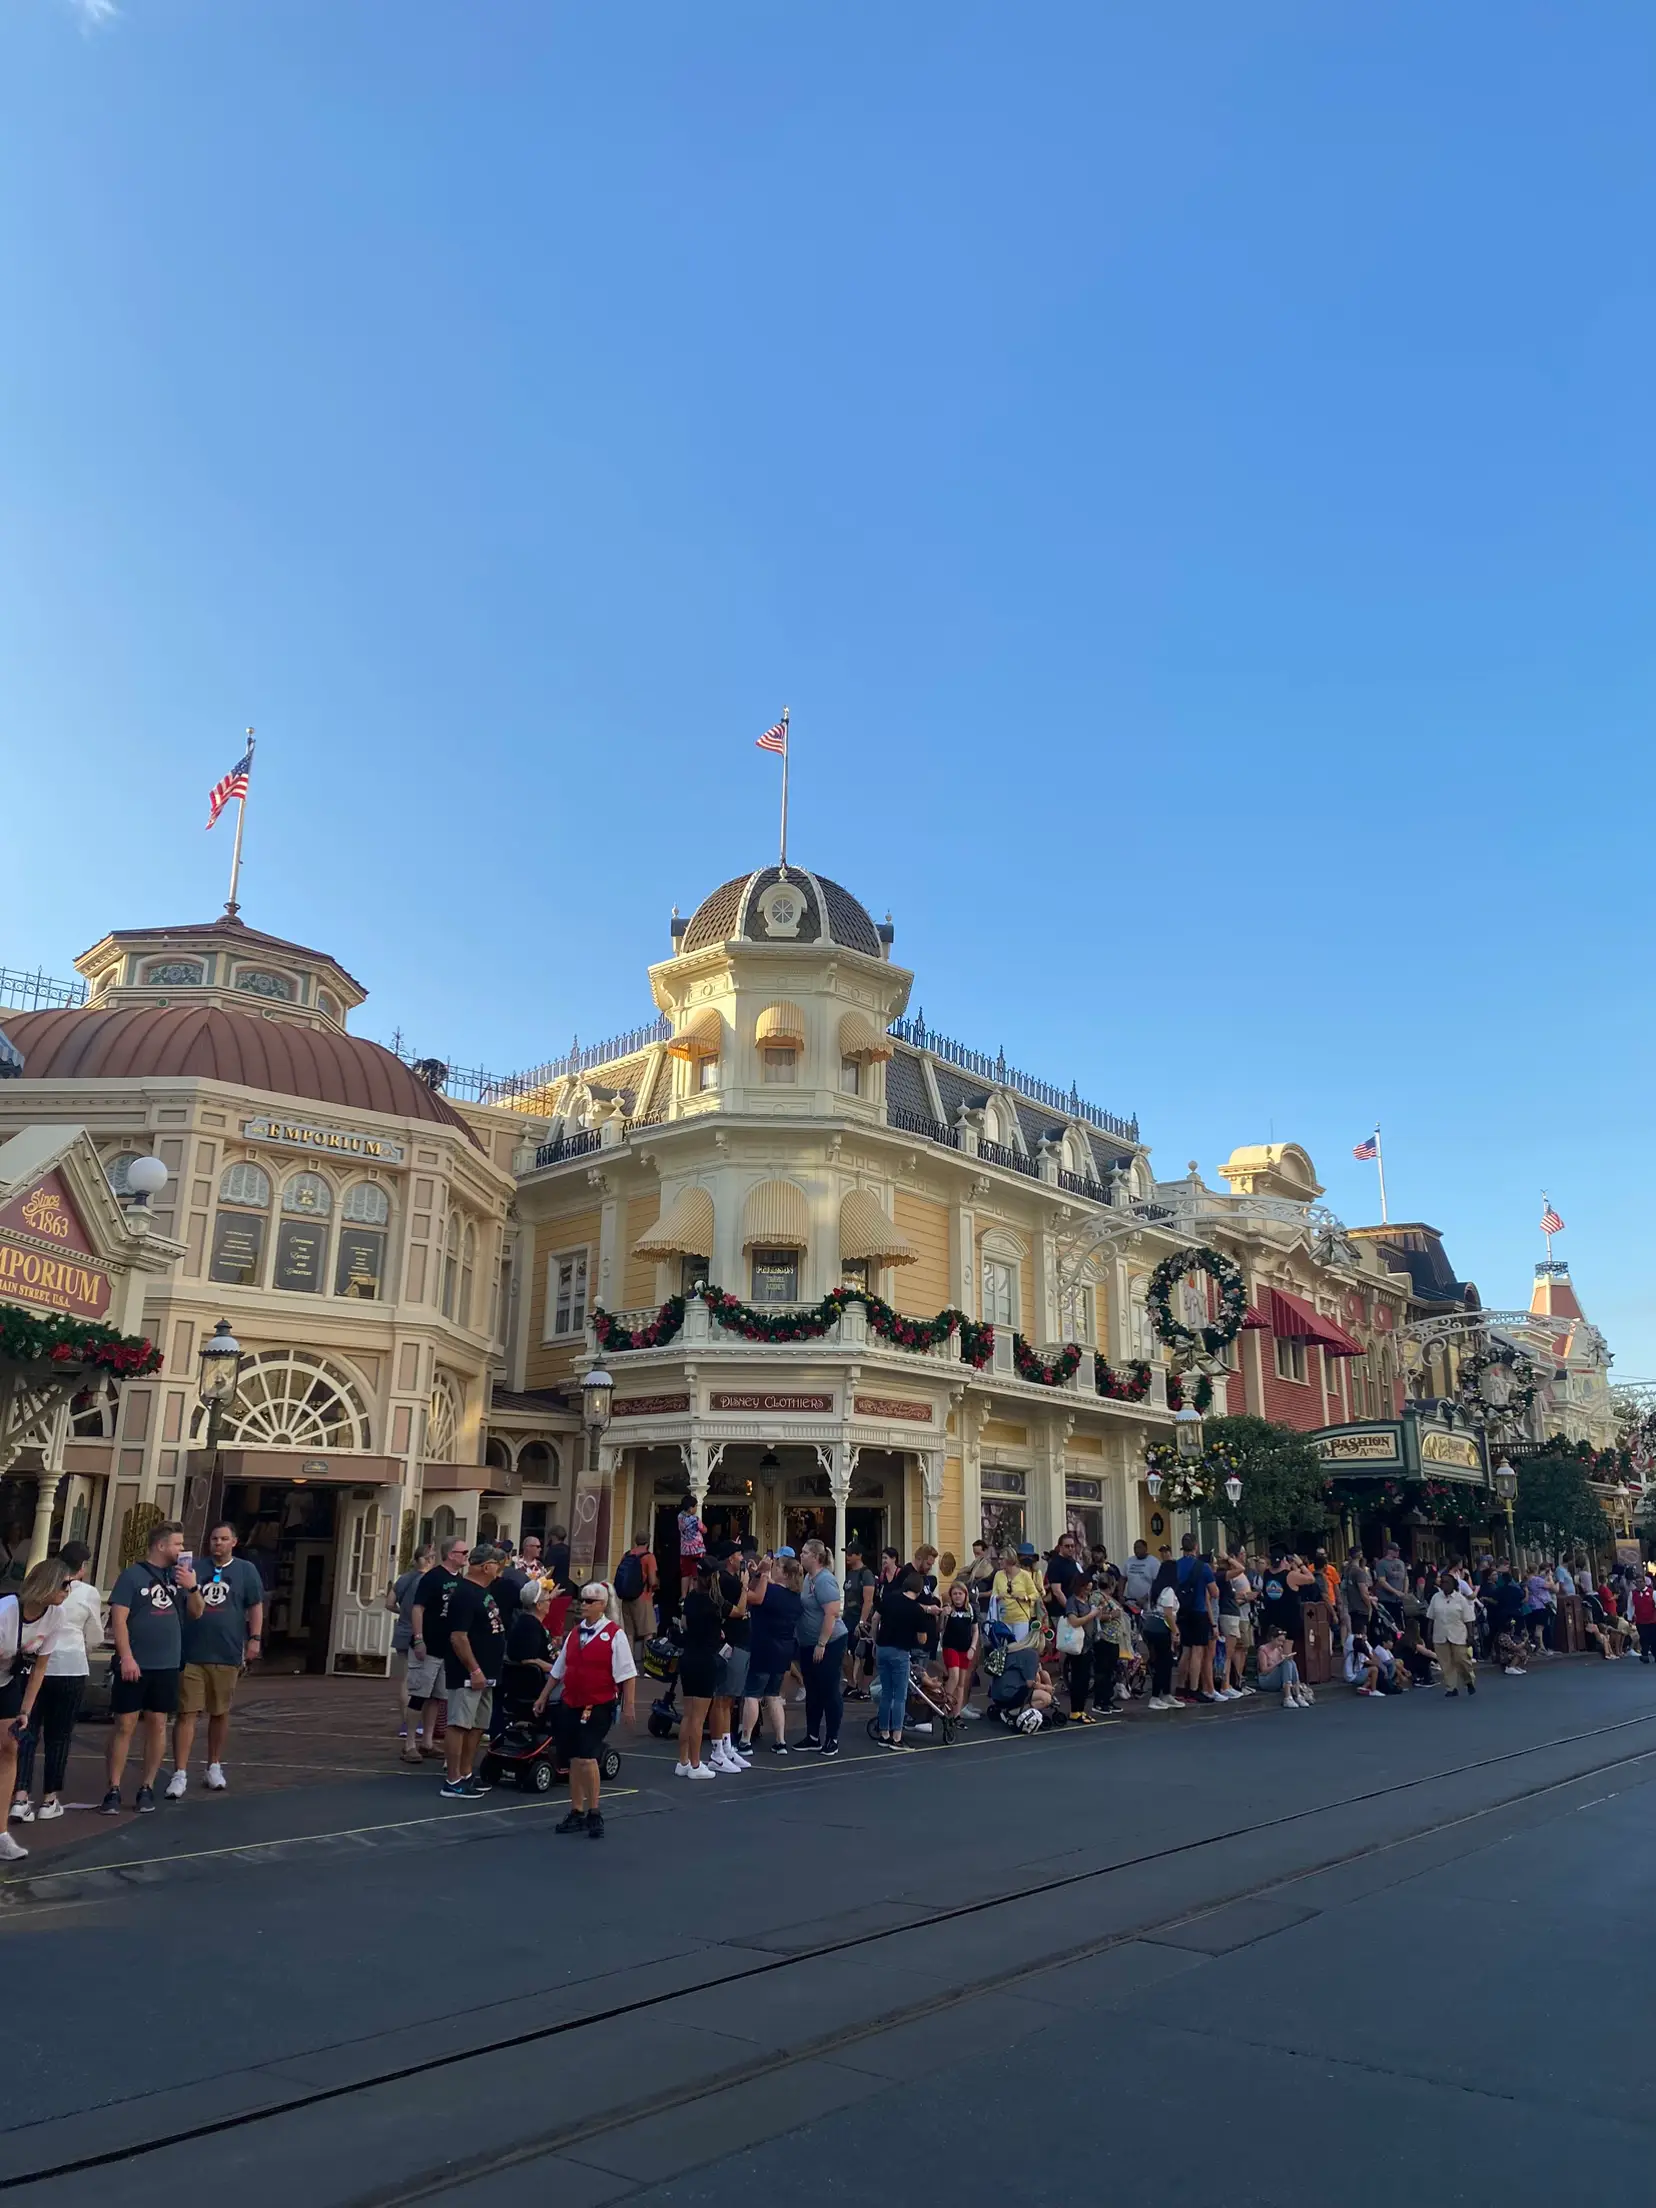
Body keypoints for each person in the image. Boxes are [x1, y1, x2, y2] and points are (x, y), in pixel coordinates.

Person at [103, 1520, 202, 1815]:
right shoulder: (132, 1576)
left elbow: (197, 1613)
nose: (182, 1549)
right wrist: (127, 1657)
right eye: (177, 1544)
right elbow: (119, 1619)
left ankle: (146, 1786)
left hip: (167, 1664)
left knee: (158, 1724)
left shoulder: (181, 1577)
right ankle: (113, 1788)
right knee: (125, 1724)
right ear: (161, 1545)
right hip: (136, 1662)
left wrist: (193, 1586)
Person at [168, 1522, 264, 1798]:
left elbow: (255, 1604)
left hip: (227, 1650)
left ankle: (214, 1765)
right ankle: (180, 1772)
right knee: (187, 1711)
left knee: (219, 1711)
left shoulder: (246, 1570)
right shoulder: (194, 1567)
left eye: (223, 1539)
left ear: (234, 1542)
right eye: (213, 1539)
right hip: (193, 1651)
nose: (218, 1543)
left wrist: (254, 1638)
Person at [11, 1541, 100, 1826]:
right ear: (82, 1567)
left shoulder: (45, 1589)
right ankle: (49, 1799)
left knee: (27, 1732)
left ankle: (21, 1796)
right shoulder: (86, 1593)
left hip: (35, 1665)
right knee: (59, 1735)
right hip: (70, 1667)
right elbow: (95, 1635)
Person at [547, 1581, 636, 1838]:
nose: (582, 1605)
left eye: (588, 1601)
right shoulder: (574, 1634)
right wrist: (543, 1697)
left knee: (587, 1755)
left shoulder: (614, 1634)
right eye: (581, 1600)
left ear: (602, 1605)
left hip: (597, 1703)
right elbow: (559, 1669)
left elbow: (627, 1674)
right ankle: (576, 1811)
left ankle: (595, 1811)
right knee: (574, 1758)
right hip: (571, 1701)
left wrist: (629, 1705)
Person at [1, 1558, 71, 1854]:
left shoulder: (56, 1615)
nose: (69, 1589)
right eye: (65, 1584)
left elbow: (40, 1666)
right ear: (47, 1585)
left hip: (7, 1681)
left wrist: (25, 1711)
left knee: (9, 1748)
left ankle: (1, 1833)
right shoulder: (6, 1612)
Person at [439, 1544, 505, 1797]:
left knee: (477, 1724)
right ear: (485, 1566)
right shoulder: (465, 1593)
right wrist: (474, 1669)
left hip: (486, 1672)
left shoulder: (483, 1592)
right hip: (469, 1673)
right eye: (496, 1564)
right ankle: (452, 1779)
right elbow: (458, 1637)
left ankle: (466, 1772)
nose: (498, 1569)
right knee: (459, 1723)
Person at [408, 1535, 468, 1755]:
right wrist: (419, 1638)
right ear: (451, 1554)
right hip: (429, 1643)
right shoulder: (432, 1578)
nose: (466, 1557)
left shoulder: (460, 1579)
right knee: (419, 1694)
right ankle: (410, 1743)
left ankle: (427, 1740)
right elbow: (418, 1608)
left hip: (447, 1648)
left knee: (437, 1696)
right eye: (463, 1553)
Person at [740, 1554, 804, 1755]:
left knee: (752, 1695)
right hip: (784, 1650)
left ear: (783, 1573)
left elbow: (751, 1596)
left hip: (763, 1646)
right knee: (774, 1696)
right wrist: (763, 1574)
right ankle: (780, 1740)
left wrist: (759, 1574)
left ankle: (745, 1740)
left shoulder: (770, 1592)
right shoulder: (795, 1598)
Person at [796, 1538, 846, 1756]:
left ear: (816, 1557)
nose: (801, 1555)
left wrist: (821, 1644)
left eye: (805, 1553)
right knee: (813, 1690)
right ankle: (813, 1736)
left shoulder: (825, 1580)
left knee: (828, 1689)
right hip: (808, 1643)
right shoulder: (808, 1577)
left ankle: (832, 1738)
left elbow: (832, 1612)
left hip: (829, 1642)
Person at [676, 1555, 724, 1779]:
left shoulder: (692, 1598)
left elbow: (685, 1624)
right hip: (705, 1659)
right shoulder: (714, 1603)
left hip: (688, 1657)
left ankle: (683, 1760)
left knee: (688, 1713)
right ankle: (696, 1764)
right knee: (699, 1716)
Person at [387, 1541, 435, 1762]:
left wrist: (402, 1611)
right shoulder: (427, 1580)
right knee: (416, 1682)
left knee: (405, 1679)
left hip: (403, 1628)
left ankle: (405, 1724)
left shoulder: (404, 1578)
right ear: (428, 1559)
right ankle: (415, 1727)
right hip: (418, 1632)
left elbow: (389, 1603)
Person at [873, 1549, 926, 1748]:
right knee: (899, 1696)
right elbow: (922, 1639)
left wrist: (875, 1640)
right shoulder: (916, 1610)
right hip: (900, 1651)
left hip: (883, 1647)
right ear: (919, 1590)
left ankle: (884, 1733)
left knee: (886, 1693)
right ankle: (897, 1736)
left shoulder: (889, 1598)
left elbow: (876, 1618)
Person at [707, 1545, 752, 1773]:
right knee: (722, 1697)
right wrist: (746, 1585)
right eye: (738, 1555)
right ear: (729, 1559)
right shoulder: (727, 1581)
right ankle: (717, 1750)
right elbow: (741, 1608)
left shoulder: (730, 1580)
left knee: (730, 1699)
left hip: (742, 1642)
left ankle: (726, 1745)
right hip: (732, 1644)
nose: (742, 1558)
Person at [498, 1577, 554, 1718]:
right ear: (539, 1605)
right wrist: (557, 1670)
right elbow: (527, 1659)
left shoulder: (530, 1622)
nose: (550, 1603)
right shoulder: (528, 1626)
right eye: (548, 1600)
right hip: (536, 1684)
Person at [1173, 1534, 1219, 1703]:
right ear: (1196, 1547)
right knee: (1197, 1652)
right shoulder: (1203, 1567)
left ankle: (1179, 1687)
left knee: (1185, 1651)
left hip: (1182, 1611)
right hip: (1198, 1610)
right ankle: (1193, 1689)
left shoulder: (1176, 1565)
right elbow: (1215, 1593)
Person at [1061, 1574, 1104, 1723]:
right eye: (1086, 1589)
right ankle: (1075, 1710)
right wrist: (1092, 1615)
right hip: (1077, 1646)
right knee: (1078, 1679)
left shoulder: (1085, 1601)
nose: (1087, 1592)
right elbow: (1074, 1621)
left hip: (1088, 1644)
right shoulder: (1072, 1602)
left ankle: (1081, 1709)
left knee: (1085, 1679)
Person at [1427, 1569, 1477, 1697]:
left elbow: (1468, 1619)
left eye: (1447, 1582)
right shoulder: (1436, 1598)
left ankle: (1469, 1681)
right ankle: (1451, 1687)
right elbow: (1431, 1618)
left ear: (1453, 1584)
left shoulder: (1460, 1599)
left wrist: (1470, 1636)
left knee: (1461, 1660)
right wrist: (1429, 1634)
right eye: (1442, 1582)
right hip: (1440, 1634)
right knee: (1445, 1663)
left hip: (1458, 1634)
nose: (1444, 1585)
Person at [841, 1542, 878, 1702]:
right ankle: (851, 1683)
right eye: (847, 1553)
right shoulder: (850, 1574)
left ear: (858, 1555)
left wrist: (862, 1622)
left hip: (859, 1619)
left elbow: (868, 1600)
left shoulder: (866, 1574)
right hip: (847, 1618)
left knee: (863, 1654)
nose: (847, 1557)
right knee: (844, 1651)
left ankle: (864, 1688)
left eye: (850, 1554)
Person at [612, 1531, 658, 1649]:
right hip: (643, 1597)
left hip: (626, 1597)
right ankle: (647, 1662)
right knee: (648, 1632)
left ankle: (629, 1663)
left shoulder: (626, 1555)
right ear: (648, 1541)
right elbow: (652, 1581)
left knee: (629, 1633)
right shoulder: (649, 1557)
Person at [938, 1581, 978, 1718]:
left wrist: (973, 1647)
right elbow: (941, 1628)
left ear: (965, 1595)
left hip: (965, 1648)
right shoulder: (949, 1609)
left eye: (960, 1593)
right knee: (953, 1676)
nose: (957, 1597)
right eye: (954, 1594)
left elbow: (975, 1630)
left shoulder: (970, 1610)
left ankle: (956, 1714)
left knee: (961, 1683)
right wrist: (943, 1614)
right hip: (950, 1646)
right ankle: (943, 1705)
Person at [1143, 1581, 1181, 1709]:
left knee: (1166, 1662)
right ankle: (1155, 1697)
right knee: (1163, 1663)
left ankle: (1166, 1693)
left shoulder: (1155, 1587)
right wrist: (1175, 1631)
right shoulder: (1168, 1590)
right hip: (1162, 1629)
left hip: (1151, 1627)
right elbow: (1168, 1613)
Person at [1257, 1626, 1311, 1708]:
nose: (1281, 1644)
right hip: (1266, 1680)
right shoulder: (1263, 1649)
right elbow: (1263, 1670)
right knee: (1285, 1663)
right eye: (1279, 1641)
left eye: (1282, 1642)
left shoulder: (1279, 1649)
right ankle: (1287, 1697)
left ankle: (1298, 1695)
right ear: (1272, 1638)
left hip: (1278, 1679)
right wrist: (1279, 1662)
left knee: (1291, 1662)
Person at [1374, 1542, 1408, 1626]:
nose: (1398, 1552)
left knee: (1400, 1622)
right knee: (1389, 1623)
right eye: (1395, 1550)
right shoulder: (1381, 1563)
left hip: (1399, 1600)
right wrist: (1396, 1592)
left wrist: (1405, 1592)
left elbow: (1405, 1578)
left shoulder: (1401, 1563)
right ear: (1389, 1551)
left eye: (1398, 1550)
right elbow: (1382, 1581)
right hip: (1387, 1599)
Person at [1122, 1539, 1159, 1613]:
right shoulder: (1129, 1561)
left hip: (1147, 1602)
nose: (1136, 1550)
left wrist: (1145, 1598)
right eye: (1135, 1548)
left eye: (1139, 1548)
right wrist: (1120, 1595)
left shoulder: (1154, 1562)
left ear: (1145, 1548)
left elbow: (1157, 1584)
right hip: (1131, 1601)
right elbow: (1122, 1578)